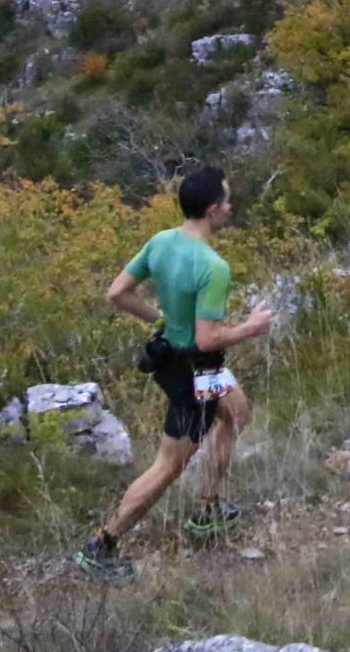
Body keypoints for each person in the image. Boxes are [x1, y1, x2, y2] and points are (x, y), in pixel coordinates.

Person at [74, 165, 275, 578]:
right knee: (168, 465)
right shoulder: (212, 267)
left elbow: (118, 292)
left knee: (237, 413)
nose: (231, 205)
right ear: (215, 209)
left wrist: (158, 319)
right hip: (194, 372)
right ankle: (103, 543)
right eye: (228, 199)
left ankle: (206, 506)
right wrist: (251, 328)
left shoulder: (162, 241)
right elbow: (207, 339)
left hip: (181, 361)